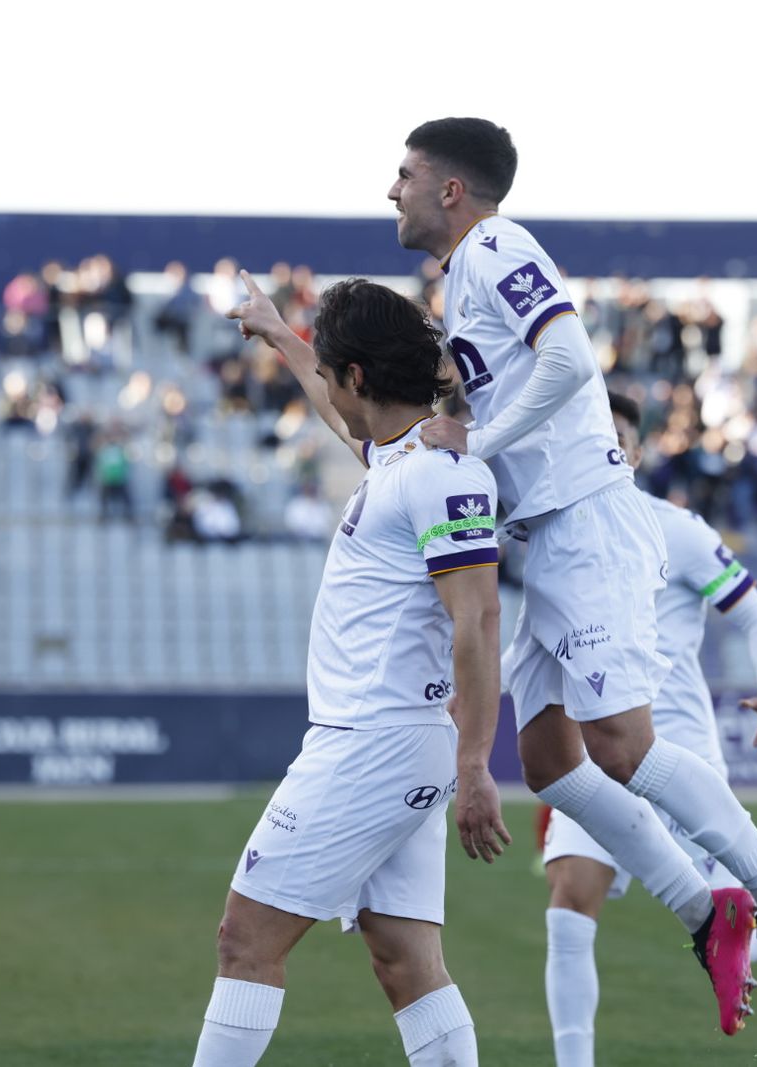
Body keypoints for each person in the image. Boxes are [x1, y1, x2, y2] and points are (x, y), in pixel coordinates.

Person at [393, 117, 757, 1035]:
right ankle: (710, 917)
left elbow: (568, 356)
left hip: (586, 519)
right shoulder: (462, 278)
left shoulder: (499, 243)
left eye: (404, 175)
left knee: (622, 744)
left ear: (451, 191)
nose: (390, 191)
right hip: (548, 538)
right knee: (551, 763)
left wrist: (480, 447)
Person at [197, 276, 510, 1067]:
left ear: (361, 379)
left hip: (373, 741)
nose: (327, 385)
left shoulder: (440, 473)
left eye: (335, 371)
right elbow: (323, 385)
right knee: (405, 960)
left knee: (246, 940)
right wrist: (276, 332)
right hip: (393, 741)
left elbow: (477, 618)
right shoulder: (400, 456)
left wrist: (476, 762)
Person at [540, 395, 757, 1064]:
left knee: (723, 920)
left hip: (670, 749)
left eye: (617, 437)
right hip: (593, 743)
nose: (603, 448)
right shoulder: (557, 529)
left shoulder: (677, 531)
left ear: (637, 452)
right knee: (569, 901)